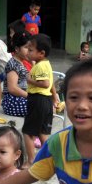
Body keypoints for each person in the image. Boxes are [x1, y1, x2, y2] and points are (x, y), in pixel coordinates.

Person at [23, 33, 59, 164]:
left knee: (27, 132)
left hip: (37, 100)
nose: (28, 52)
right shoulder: (45, 63)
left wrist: (30, 80)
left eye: (31, 50)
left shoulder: (40, 66)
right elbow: (50, 83)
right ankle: (51, 159)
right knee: (42, 132)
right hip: (45, 101)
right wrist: (55, 97)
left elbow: (45, 83)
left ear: (41, 53)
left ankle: (31, 160)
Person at [1, 31, 31, 118]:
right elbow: (12, 88)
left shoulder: (22, 62)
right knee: (40, 107)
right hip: (12, 101)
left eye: (31, 49)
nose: (29, 51)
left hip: (20, 98)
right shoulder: (14, 64)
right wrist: (30, 96)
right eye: (26, 48)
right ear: (17, 49)